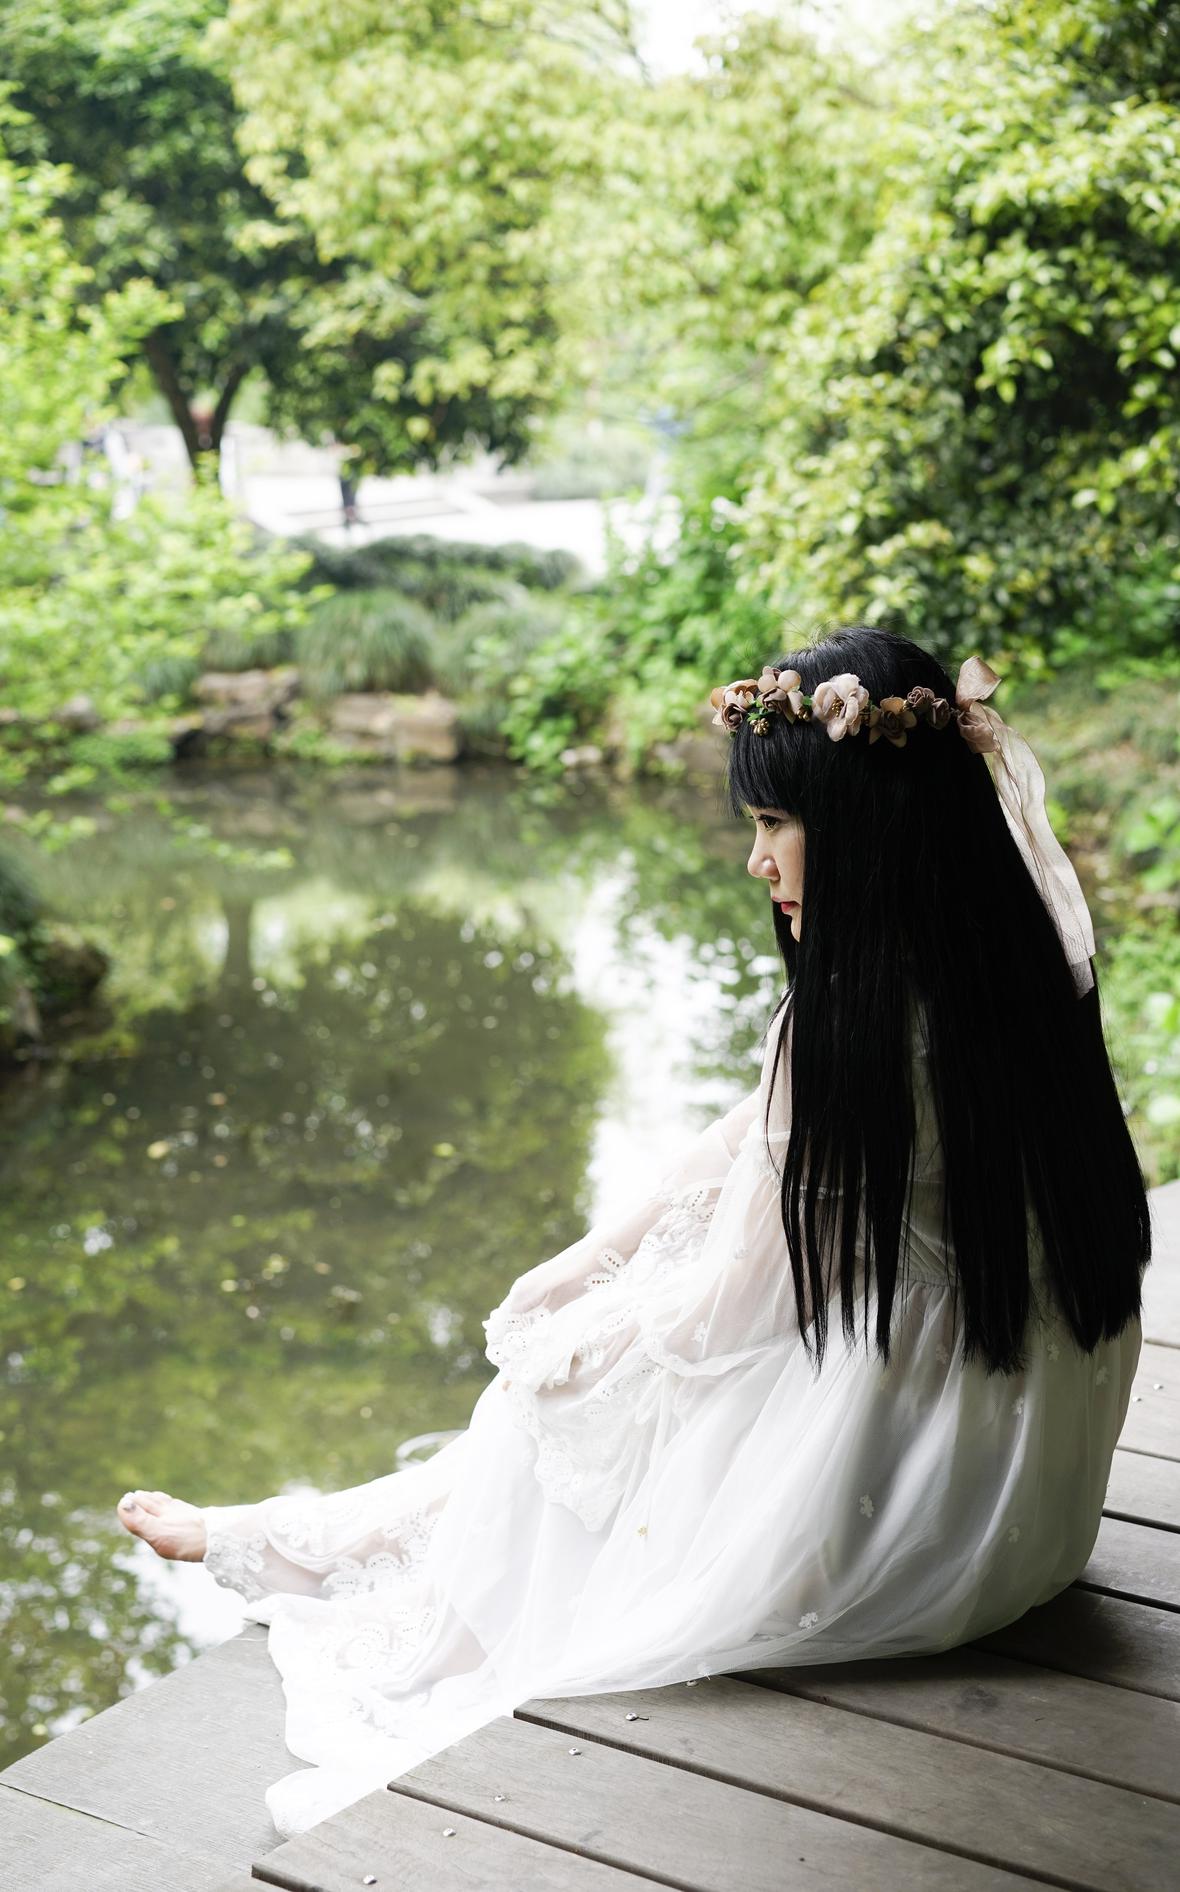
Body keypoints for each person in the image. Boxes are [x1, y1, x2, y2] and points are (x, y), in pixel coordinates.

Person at [115, 625, 1151, 1841]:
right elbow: (751, 1135)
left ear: (868, 826)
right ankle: (314, 1529)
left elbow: (725, 1318)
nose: (757, 861)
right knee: (588, 1329)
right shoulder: (1015, 957)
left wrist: (560, 1349)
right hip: (1031, 1494)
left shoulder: (849, 1024)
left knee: (557, 1400)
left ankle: (310, 1546)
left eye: (776, 824)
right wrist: (586, 1257)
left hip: (918, 1518)